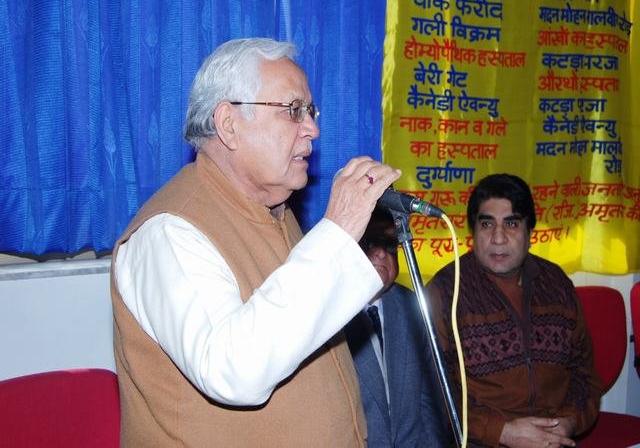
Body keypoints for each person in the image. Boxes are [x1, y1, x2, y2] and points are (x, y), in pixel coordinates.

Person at [110, 37, 401, 447]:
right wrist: (337, 232)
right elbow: (233, 372)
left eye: (311, 111)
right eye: (293, 110)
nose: (313, 129)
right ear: (229, 124)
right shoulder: (168, 232)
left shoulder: (275, 210)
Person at [426, 173, 602, 448]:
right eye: (487, 224)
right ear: (473, 231)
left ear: (530, 232)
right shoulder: (446, 291)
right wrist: (502, 432)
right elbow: (432, 391)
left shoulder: (556, 284)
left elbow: (584, 372)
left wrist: (568, 422)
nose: (498, 238)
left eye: (511, 224)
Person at [344, 207, 453, 447]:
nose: (382, 253)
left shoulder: (411, 305)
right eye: (370, 242)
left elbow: (428, 403)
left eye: (390, 245)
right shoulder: (328, 314)